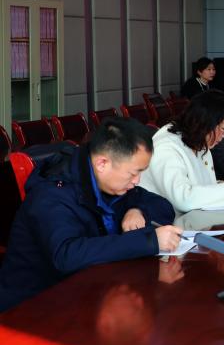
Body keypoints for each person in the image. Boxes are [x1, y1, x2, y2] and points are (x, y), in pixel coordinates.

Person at [0, 118, 180, 312]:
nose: (137, 181)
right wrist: (148, 241)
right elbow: (67, 255)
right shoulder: (52, 194)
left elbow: (162, 205)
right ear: (102, 163)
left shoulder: (110, 182)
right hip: (32, 308)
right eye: (133, 173)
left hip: (88, 294)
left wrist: (138, 210)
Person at [140, 91, 224, 215]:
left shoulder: (198, 139)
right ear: (206, 123)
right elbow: (183, 198)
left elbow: (200, 185)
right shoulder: (166, 147)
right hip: (163, 222)